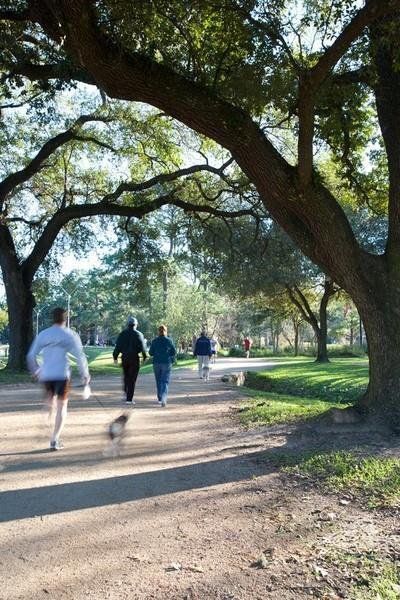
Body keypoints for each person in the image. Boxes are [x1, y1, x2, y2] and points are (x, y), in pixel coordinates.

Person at [27, 307, 90, 451]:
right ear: (65, 319)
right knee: (62, 407)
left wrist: (36, 370)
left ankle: (46, 417)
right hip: (62, 375)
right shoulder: (70, 335)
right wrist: (85, 375)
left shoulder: (44, 334)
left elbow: (31, 355)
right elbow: (80, 357)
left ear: (52, 318)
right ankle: (54, 439)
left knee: (50, 401)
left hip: (46, 374)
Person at [113, 316, 148, 404]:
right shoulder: (139, 334)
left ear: (127, 324)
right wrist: (144, 357)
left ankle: (126, 392)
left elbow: (118, 347)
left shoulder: (122, 334)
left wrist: (115, 357)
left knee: (126, 376)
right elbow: (143, 347)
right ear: (135, 325)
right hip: (134, 358)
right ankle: (129, 399)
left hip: (124, 357)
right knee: (132, 378)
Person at [149, 324, 176, 407]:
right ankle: (164, 398)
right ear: (166, 331)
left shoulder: (154, 341)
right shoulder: (169, 341)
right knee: (165, 381)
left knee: (158, 381)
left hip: (157, 363)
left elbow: (150, 353)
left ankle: (160, 398)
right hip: (167, 362)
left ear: (158, 331)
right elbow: (173, 352)